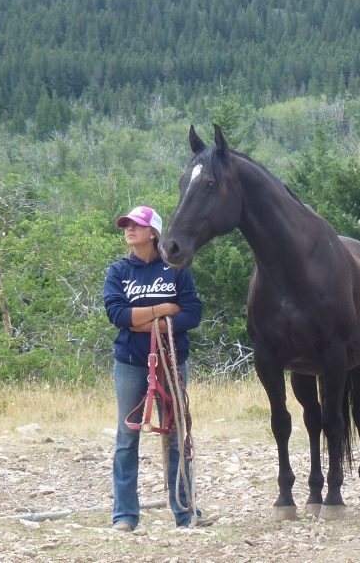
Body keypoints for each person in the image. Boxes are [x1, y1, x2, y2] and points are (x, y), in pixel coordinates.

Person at [102, 205, 208, 532]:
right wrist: (163, 310)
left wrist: (148, 322)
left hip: (172, 361)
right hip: (131, 363)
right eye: (127, 225)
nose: (129, 230)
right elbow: (117, 315)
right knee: (126, 436)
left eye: (137, 225)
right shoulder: (118, 271)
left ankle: (185, 512)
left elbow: (192, 313)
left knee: (177, 434)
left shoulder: (177, 269)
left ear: (153, 233)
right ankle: (124, 516)